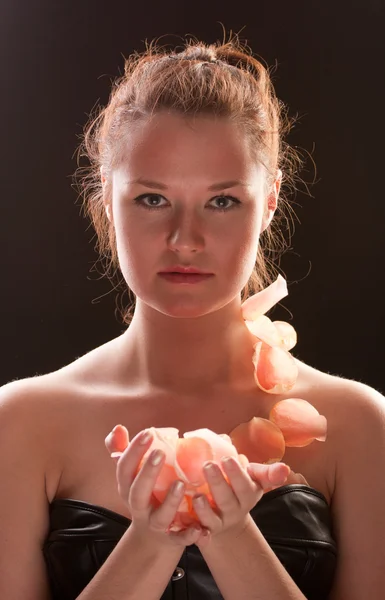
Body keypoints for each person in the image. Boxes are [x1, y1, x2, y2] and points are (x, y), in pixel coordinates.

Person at [1, 34, 385, 600]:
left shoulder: (359, 426)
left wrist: (230, 535)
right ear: (107, 198)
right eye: (152, 199)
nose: (185, 239)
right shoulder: (20, 423)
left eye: (223, 200)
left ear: (271, 200)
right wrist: (150, 541)